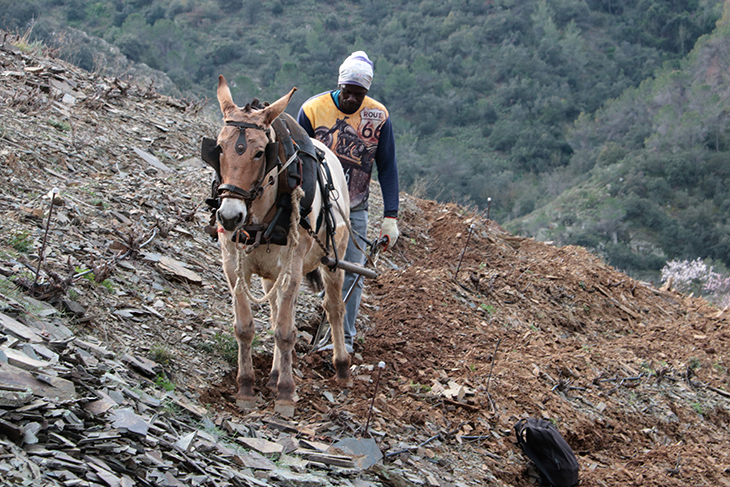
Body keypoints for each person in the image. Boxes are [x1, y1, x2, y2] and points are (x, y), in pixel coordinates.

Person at [298, 50, 399, 354]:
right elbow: (297, 159)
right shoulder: (313, 110)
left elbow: (388, 166)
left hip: (354, 206)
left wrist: (390, 217)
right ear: (338, 85)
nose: (353, 100)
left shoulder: (378, 116)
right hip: (316, 204)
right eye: (348, 92)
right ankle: (323, 321)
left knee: (351, 269)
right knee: (317, 265)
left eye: (360, 94)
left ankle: (344, 339)